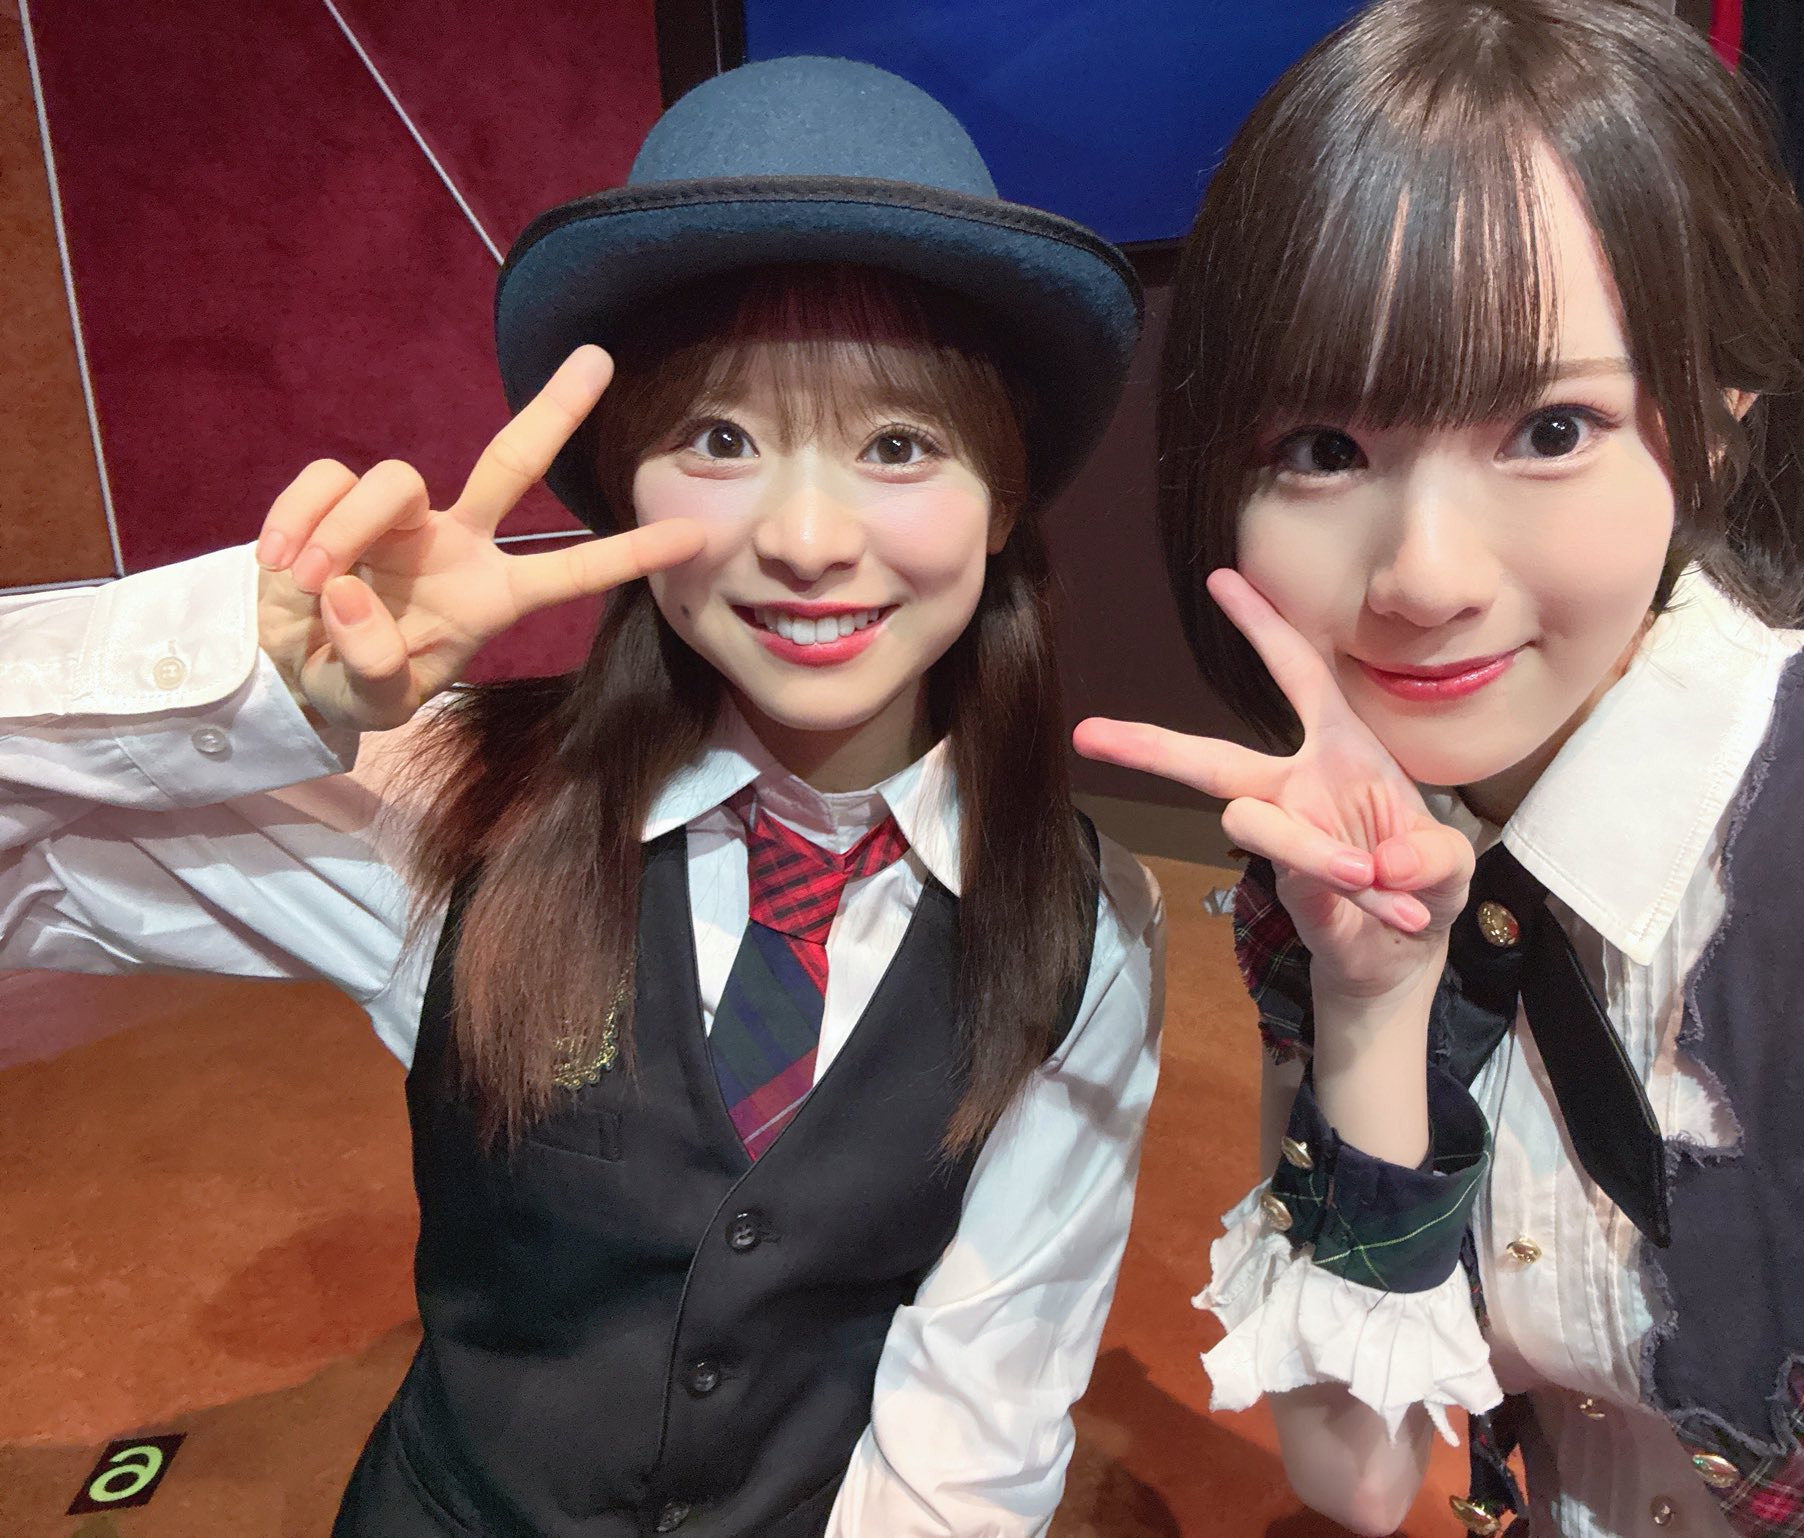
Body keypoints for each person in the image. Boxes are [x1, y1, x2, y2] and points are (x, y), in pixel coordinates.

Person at [0, 57, 1163, 1538]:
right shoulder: (454, 797)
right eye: (721, 439)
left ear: (1001, 504)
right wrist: (243, 682)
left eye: (897, 444)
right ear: (622, 487)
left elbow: (976, 1431)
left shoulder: (1085, 928)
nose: (809, 538)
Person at [1075, 2, 1804, 1534]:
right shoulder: (1343, 868)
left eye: (1548, 426)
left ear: (1719, 422)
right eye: (1323, 448)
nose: (1424, 575)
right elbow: (1357, 1470)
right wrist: (1371, 1006)